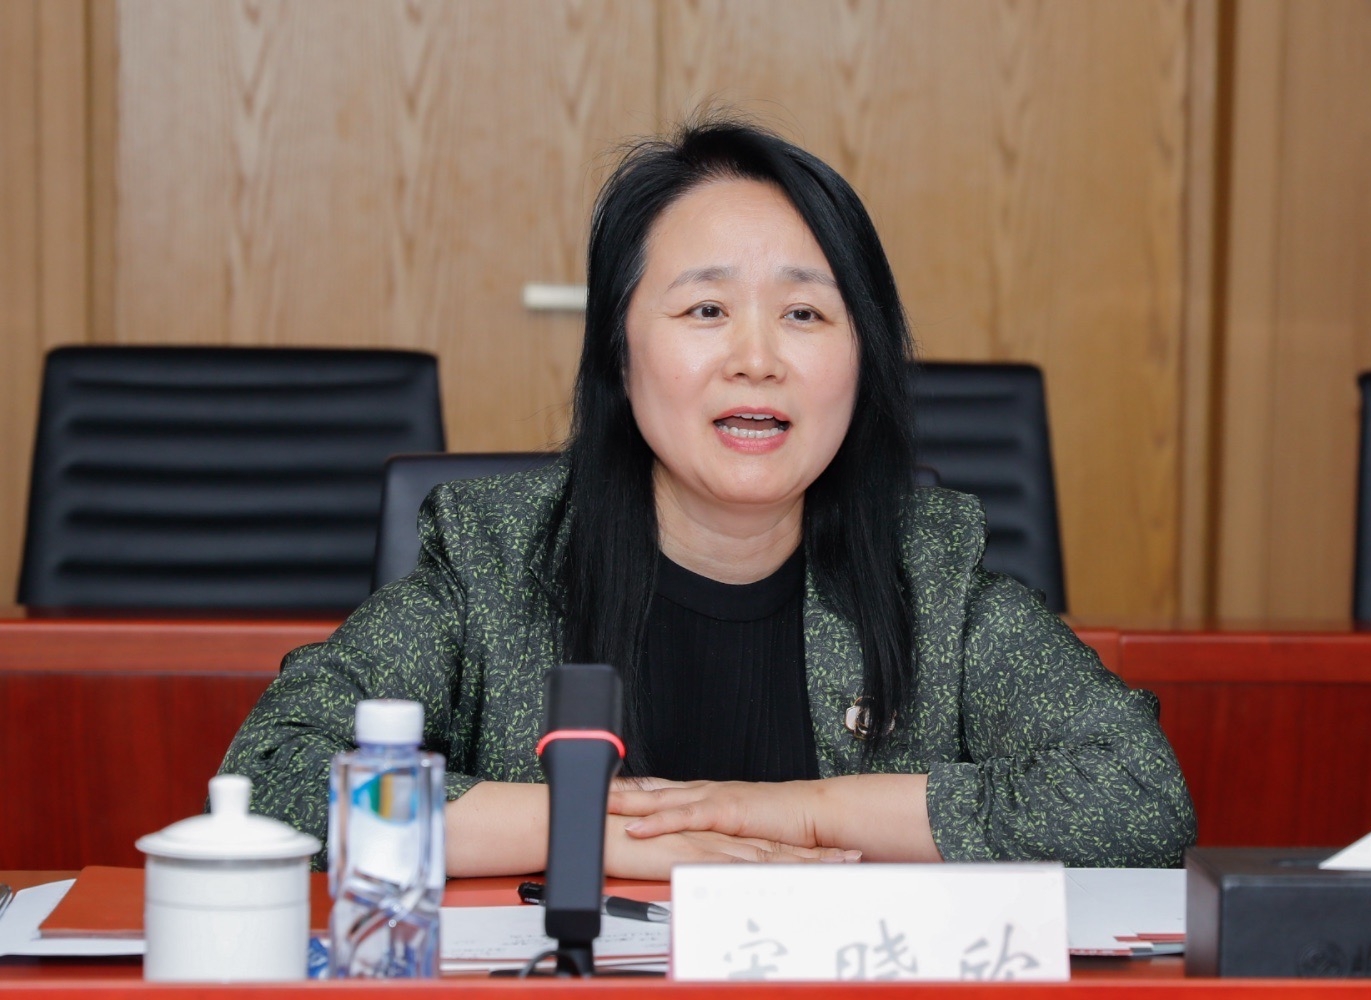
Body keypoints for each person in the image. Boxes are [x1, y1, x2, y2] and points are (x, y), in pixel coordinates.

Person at [221, 116, 1196, 879]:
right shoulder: (496, 560)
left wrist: (790, 812)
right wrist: (598, 832)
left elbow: (1136, 797)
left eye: (805, 312)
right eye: (706, 309)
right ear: (619, 352)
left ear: (862, 359)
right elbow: (270, 780)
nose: (757, 358)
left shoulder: (929, 572)